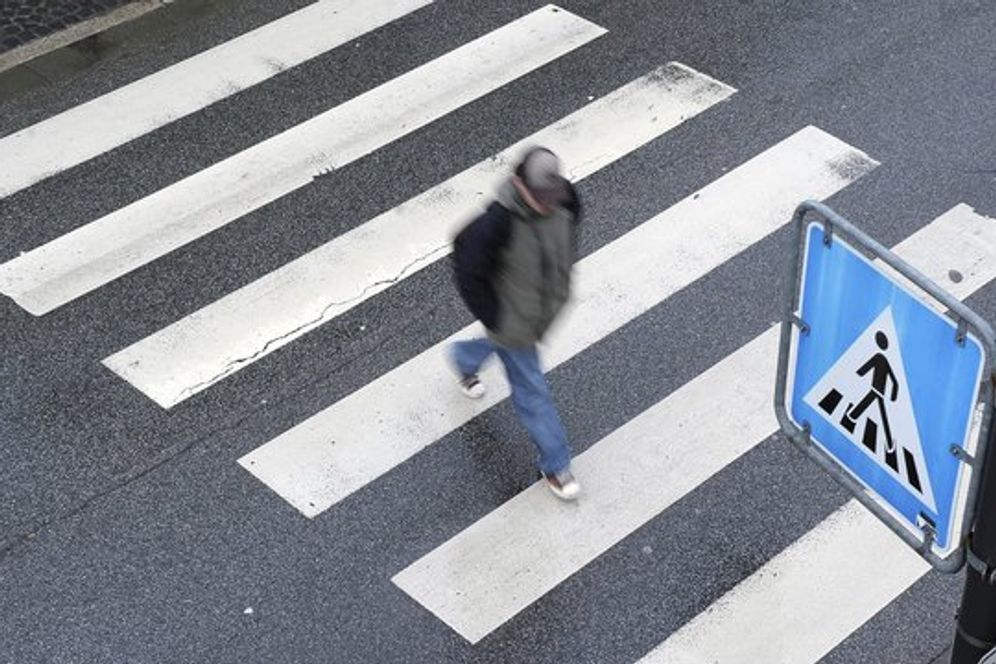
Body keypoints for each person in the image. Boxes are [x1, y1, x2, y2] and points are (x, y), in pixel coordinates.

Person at [450, 146, 582, 501]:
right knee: (532, 391)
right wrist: (495, 316)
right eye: (540, 196)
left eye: (551, 194)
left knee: (500, 347)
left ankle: (463, 358)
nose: (548, 203)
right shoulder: (498, 221)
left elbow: (570, 226)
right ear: (519, 185)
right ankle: (556, 465)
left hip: (540, 311)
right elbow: (465, 261)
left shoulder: (564, 200)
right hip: (513, 318)